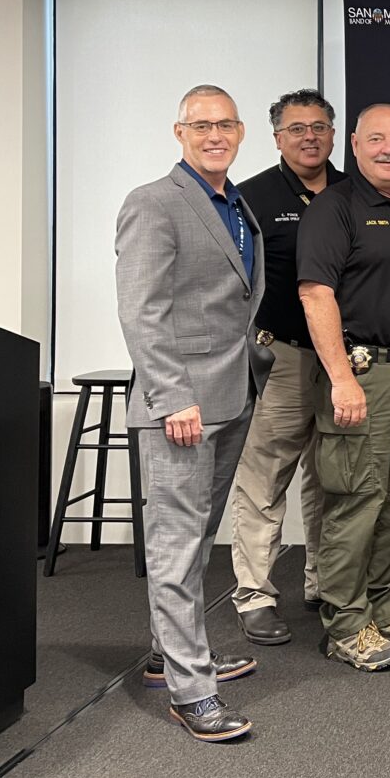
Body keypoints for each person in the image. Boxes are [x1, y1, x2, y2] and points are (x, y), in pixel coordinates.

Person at [115, 84, 270, 743]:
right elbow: (141, 310)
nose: (215, 135)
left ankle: (167, 655)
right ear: (179, 132)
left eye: (225, 124)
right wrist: (173, 396)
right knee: (177, 544)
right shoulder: (153, 202)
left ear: (240, 132)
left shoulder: (235, 203)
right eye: (201, 125)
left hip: (231, 395)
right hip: (181, 405)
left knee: (197, 536)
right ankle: (192, 692)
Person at [297, 103, 390, 671]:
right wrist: (341, 379)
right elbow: (315, 294)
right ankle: (345, 622)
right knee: (356, 500)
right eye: (376, 138)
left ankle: (385, 603)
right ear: (353, 145)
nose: (389, 149)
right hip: (361, 375)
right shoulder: (334, 208)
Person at [230, 89, 344, 646]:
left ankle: (322, 581)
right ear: (277, 138)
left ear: (333, 134)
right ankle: (254, 594)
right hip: (283, 356)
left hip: (344, 361)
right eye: (297, 129)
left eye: (319, 127)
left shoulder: (353, 191)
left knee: (330, 478)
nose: (309, 137)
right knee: (264, 479)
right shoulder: (249, 197)